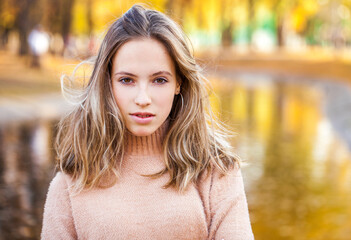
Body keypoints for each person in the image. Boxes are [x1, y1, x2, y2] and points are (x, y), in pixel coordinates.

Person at [41, 4, 254, 240]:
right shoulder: (70, 183)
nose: (143, 99)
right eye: (127, 80)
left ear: (179, 83)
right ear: (107, 83)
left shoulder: (216, 170)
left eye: (159, 80)